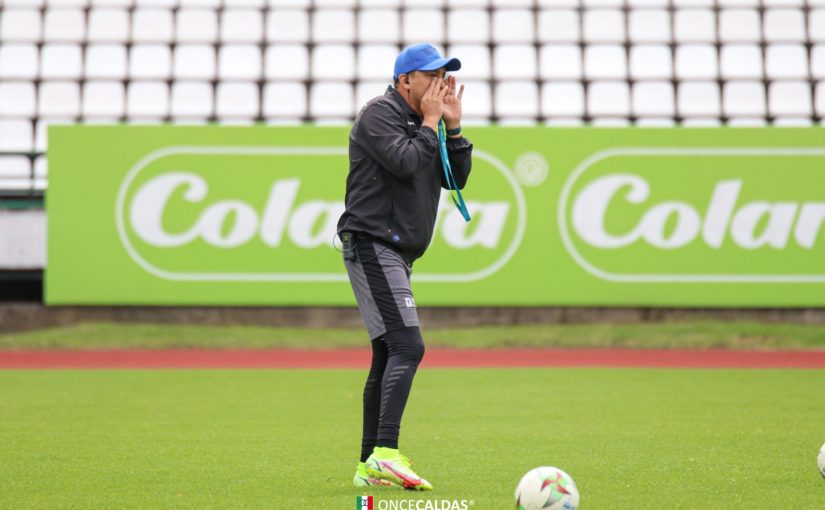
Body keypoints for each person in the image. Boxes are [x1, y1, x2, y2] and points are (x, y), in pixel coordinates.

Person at [337, 43, 473, 491]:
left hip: (396, 250)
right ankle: (386, 453)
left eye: (444, 74)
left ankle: (367, 462)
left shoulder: (423, 123)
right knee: (409, 346)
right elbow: (407, 162)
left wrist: (453, 130)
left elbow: (455, 178)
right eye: (430, 74)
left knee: (387, 353)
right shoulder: (379, 114)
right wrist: (432, 123)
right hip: (375, 244)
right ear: (404, 81)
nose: (439, 82)